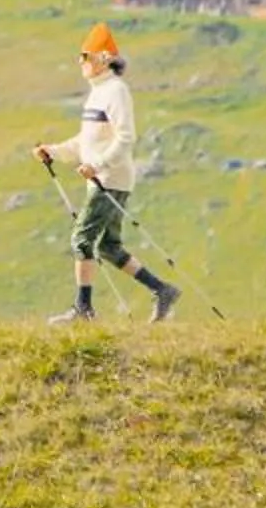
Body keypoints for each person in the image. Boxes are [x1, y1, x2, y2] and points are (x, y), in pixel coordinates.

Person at [32, 23, 178, 322]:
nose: (80, 63)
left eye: (84, 56)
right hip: (103, 177)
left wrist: (98, 166)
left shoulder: (116, 92)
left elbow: (126, 138)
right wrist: (54, 151)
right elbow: (85, 143)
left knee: (81, 240)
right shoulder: (98, 94)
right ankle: (162, 290)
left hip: (108, 179)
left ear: (103, 58)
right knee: (109, 247)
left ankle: (83, 309)